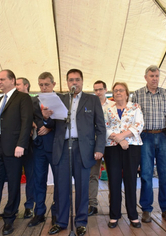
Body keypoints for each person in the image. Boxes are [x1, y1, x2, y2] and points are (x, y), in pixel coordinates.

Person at [45, 69, 106, 236]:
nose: (74, 83)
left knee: (82, 187)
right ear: (67, 82)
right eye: (71, 80)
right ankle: (61, 221)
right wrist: (46, 116)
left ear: (82, 81)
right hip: (63, 147)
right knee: (62, 187)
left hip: (83, 148)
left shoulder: (92, 100)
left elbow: (101, 128)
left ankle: (80, 222)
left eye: (77, 80)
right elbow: (51, 123)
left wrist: (99, 148)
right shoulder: (59, 99)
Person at [0, 69, 33, 236]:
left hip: (14, 147)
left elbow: (26, 122)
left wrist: (21, 145)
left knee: (13, 184)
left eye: (2, 79)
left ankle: (9, 219)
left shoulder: (23, 97)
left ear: (12, 80)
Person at [132, 65, 166, 223]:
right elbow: (132, 118)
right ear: (145, 77)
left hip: (163, 136)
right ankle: (146, 209)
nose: (154, 78)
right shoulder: (137, 95)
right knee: (146, 175)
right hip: (145, 137)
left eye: (157, 75)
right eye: (151, 76)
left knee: (164, 174)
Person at [104, 82, 144, 228]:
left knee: (130, 180)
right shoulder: (107, 109)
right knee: (114, 181)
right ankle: (114, 215)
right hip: (112, 147)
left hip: (132, 146)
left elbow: (138, 125)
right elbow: (103, 126)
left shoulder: (135, 107)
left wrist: (123, 137)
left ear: (127, 93)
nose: (118, 93)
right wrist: (118, 139)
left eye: (121, 90)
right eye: (115, 91)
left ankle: (133, 215)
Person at [28, 72, 57, 227]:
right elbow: (29, 117)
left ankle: (57, 213)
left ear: (53, 84)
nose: (44, 87)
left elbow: (64, 121)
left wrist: (49, 128)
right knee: (38, 180)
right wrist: (33, 123)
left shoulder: (61, 100)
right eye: (41, 84)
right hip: (38, 147)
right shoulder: (34, 101)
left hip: (55, 146)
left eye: (46, 84)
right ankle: (39, 213)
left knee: (59, 181)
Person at [88, 80, 115, 216]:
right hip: (95, 144)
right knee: (93, 175)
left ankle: (113, 204)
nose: (98, 92)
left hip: (110, 143)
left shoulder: (114, 104)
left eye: (100, 89)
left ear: (105, 90)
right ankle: (92, 204)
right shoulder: (90, 104)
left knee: (112, 175)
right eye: (95, 89)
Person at [15, 77, 35, 219]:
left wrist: (32, 124)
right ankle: (13, 207)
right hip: (15, 145)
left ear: (26, 85)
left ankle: (29, 206)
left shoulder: (34, 101)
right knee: (14, 177)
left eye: (18, 84)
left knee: (31, 177)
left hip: (31, 145)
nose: (15, 86)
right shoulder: (12, 102)